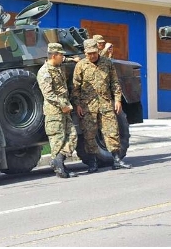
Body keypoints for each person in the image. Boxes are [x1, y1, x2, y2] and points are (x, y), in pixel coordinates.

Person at [71, 38, 131, 173]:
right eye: (88, 53)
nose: (92, 56)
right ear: (85, 53)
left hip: (106, 103)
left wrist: (118, 100)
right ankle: (92, 163)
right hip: (88, 106)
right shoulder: (80, 66)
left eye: (94, 53)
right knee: (89, 134)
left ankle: (117, 160)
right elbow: (76, 88)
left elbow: (115, 83)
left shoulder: (107, 63)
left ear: (98, 51)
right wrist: (78, 105)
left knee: (112, 131)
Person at [37, 43, 78, 179]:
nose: (63, 57)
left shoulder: (58, 65)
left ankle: (58, 161)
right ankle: (60, 168)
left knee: (72, 136)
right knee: (57, 140)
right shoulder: (45, 72)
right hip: (54, 111)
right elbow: (48, 94)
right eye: (61, 55)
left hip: (64, 109)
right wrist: (63, 105)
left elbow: (66, 60)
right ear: (54, 56)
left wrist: (74, 60)